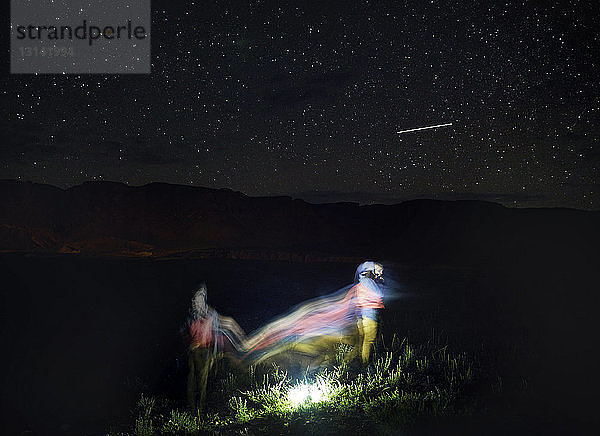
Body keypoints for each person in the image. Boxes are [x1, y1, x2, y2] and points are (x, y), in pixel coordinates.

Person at [185, 283, 245, 414]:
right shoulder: (191, 315)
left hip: (205, 352)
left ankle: (199, 411)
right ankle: (192, 410)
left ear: (203, 299)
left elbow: (227, 322)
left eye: (198, 298)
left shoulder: (210, 313)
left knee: (201, 382)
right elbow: (186, 333)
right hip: (193, 352)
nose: (195, 302)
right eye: (194, 299)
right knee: (192, 381)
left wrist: (239, 335)